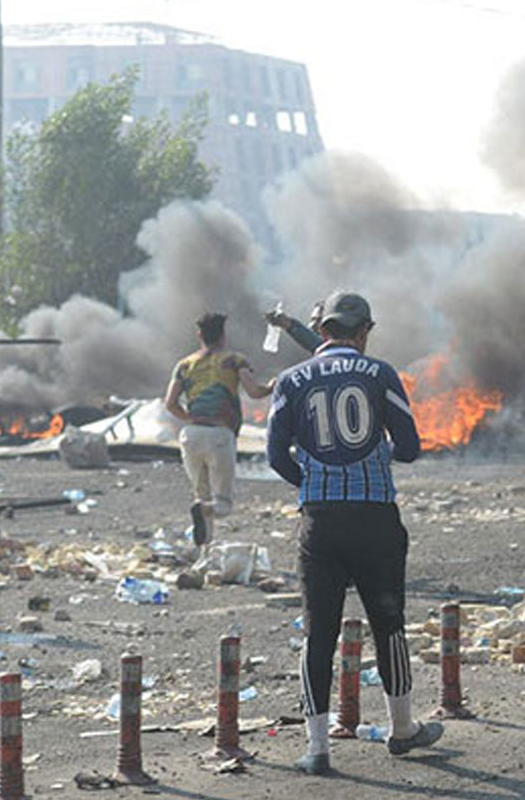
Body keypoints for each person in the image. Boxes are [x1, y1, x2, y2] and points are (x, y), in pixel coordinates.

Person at [266, 291, 442, 774]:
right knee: (389, 626)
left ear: (321, 331)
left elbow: (276, 456)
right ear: (364, 330)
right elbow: (409, 446)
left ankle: (317, 749)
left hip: (319, 522)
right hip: (375, 521)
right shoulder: (381, 373)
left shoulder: (290, 380)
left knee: (318, 633)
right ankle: (403, 729)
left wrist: (315, 484)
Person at [164, 312, 269, 546]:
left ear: (199, 335)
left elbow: (170, 403)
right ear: (223, 335)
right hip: (220, 435)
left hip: (190, 435)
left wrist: (190, 417)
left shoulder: (184, 365)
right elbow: (254, 391)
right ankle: (203, 516)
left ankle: (203, 555)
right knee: (221, 505)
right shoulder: (234, 360)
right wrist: (272, 386)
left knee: (201, 497)